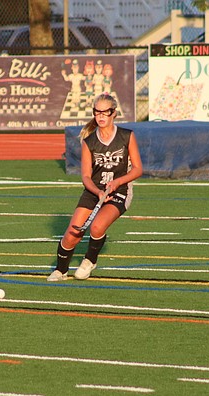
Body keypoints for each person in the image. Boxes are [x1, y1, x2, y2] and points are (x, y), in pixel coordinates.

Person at [47, 93, 143, 282]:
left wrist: (117, 182)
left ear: (113, 113)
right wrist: (98, 192)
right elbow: (85, 176)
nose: (100, 116)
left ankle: (90, 260)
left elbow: (138, 169)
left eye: (105, 112)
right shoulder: (89, 142)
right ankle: (61, 270)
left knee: (97, 227)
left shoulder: (126, 136)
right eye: (97, 112)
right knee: (73, 233)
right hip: (94, 191)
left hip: (120, 191)